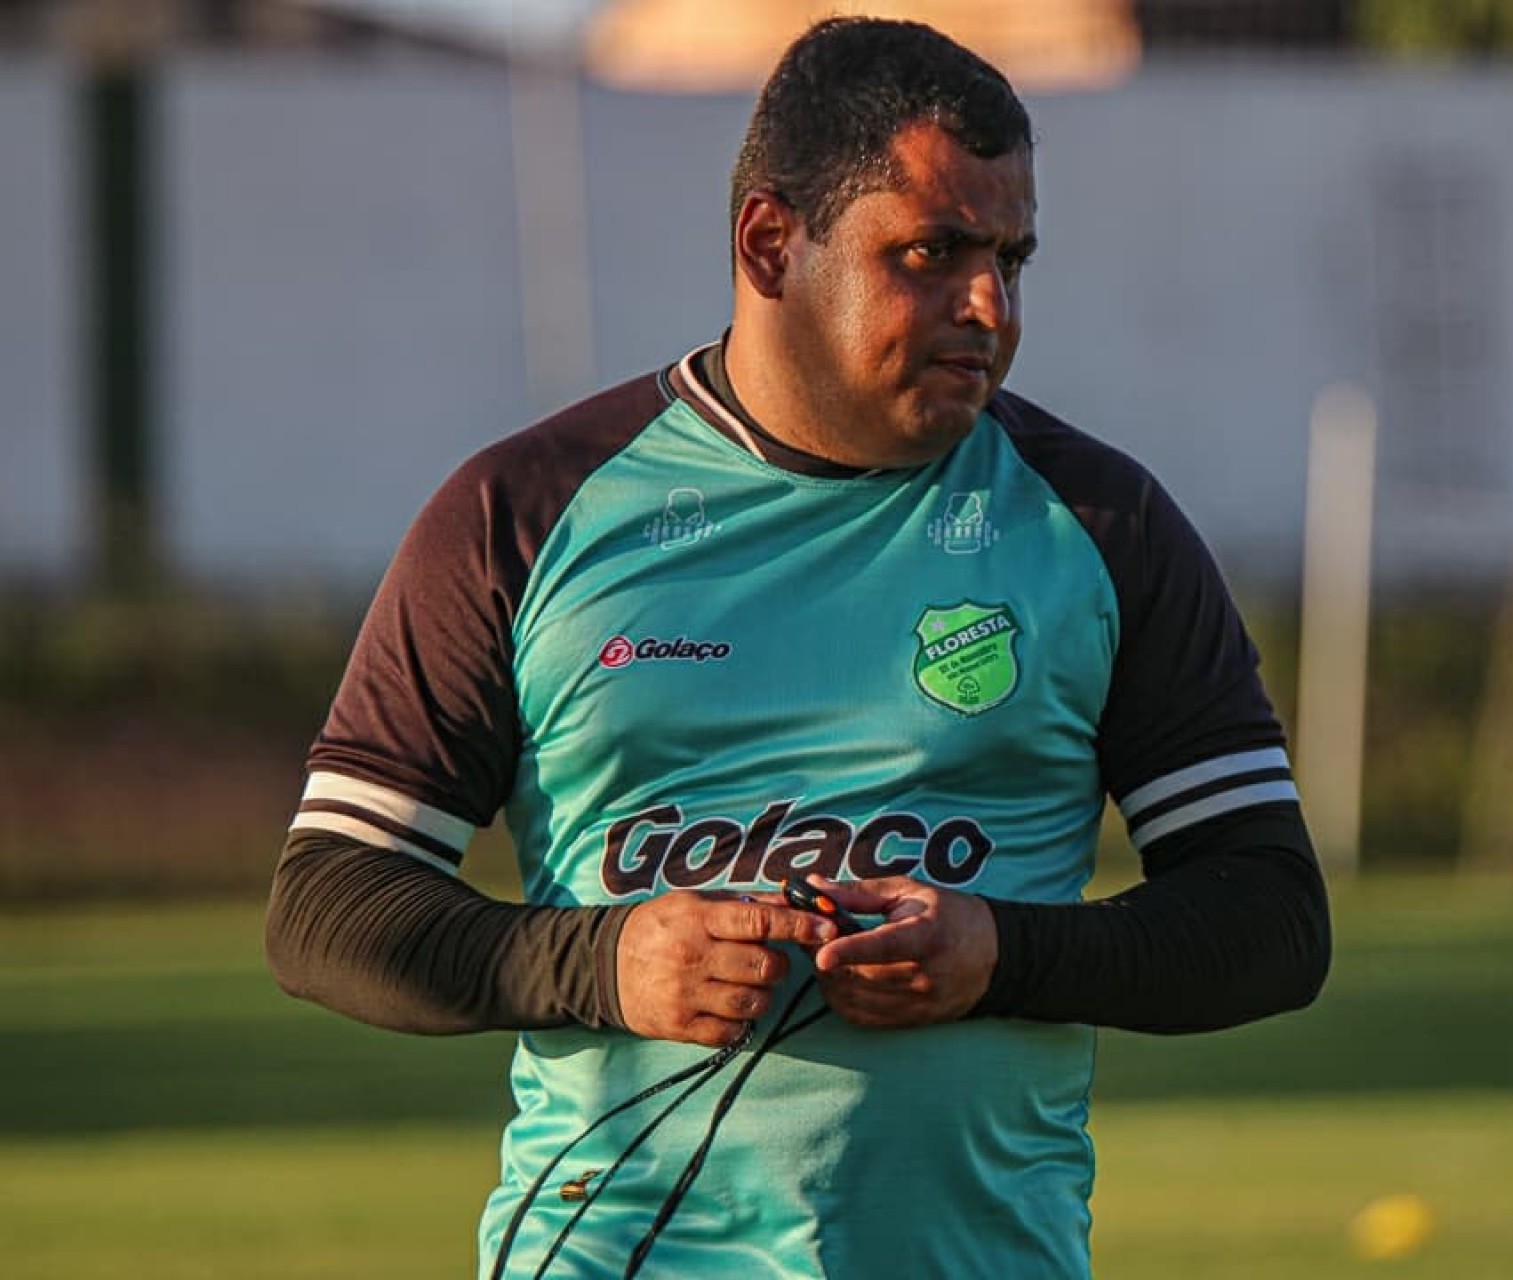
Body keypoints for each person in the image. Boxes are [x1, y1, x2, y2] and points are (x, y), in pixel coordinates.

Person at [265, 16, 1330, 1279]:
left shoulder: (1099, 526)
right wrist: (602, 960)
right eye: (932, 253)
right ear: (771, 242)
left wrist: (1006, 952)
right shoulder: (527, 512)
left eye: (1011, 257)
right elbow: (327, 902)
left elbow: (1270, 915)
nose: (989, 305)